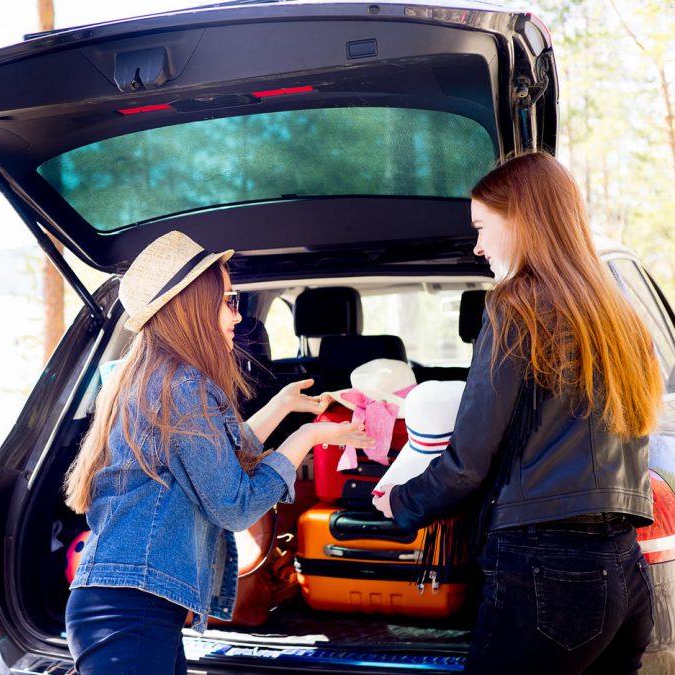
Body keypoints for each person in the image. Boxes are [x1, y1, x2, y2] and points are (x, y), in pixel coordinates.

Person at [373, 152, 664, 674]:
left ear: (524, 220)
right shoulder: (621, 316)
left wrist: (402, 501)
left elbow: (467, 463)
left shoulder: (516, 306)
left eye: (483, 227)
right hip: (626, 572)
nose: (478, 246)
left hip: (549, 571)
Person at [63, 230, 376, 674]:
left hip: (132, 601)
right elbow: (233, 505)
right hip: (131, 609)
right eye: (230, 301)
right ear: (193, 306)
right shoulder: (184, 385)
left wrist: (282, 406)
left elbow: (210, 459)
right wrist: (306, 437)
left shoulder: (156, 377)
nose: (238, 316)